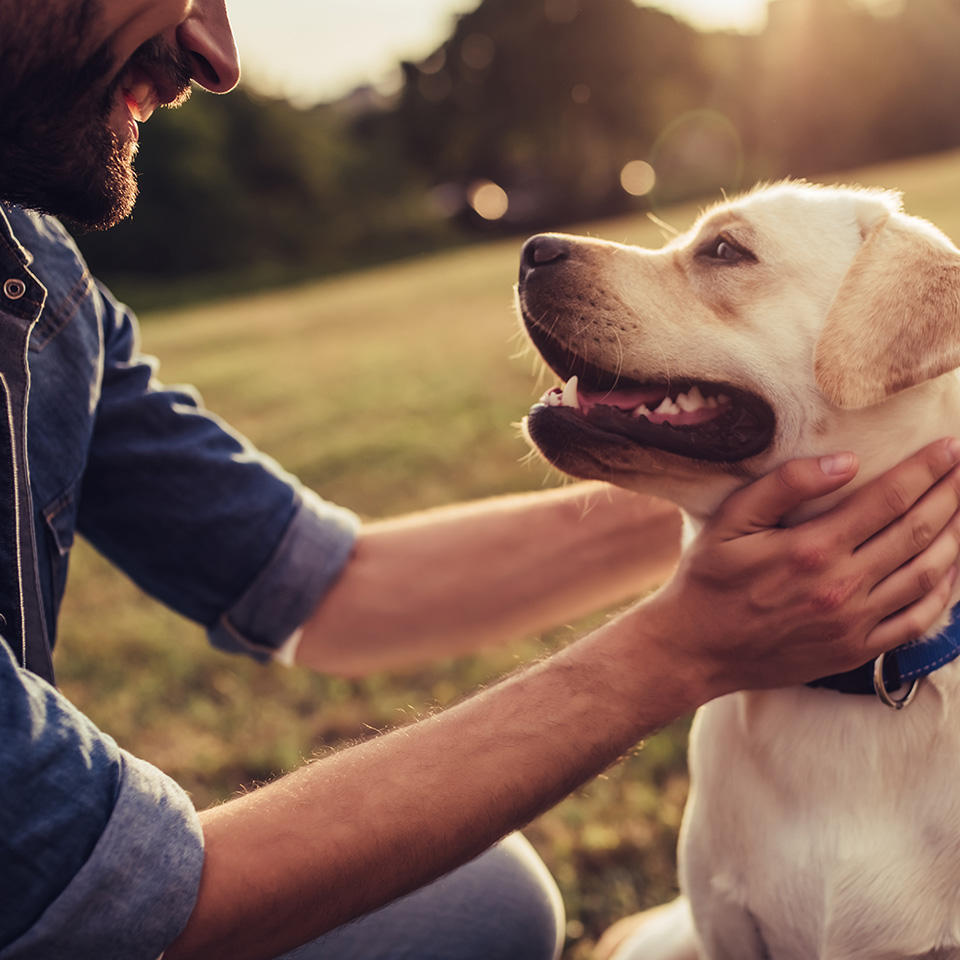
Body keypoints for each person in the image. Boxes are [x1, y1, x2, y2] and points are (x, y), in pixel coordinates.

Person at [1, 3, 960, 960]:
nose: (217, 55)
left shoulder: (43, 282)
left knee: (485, 901)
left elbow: (327, 581)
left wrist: (812, 506)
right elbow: (93, 892)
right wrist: (675, 651)